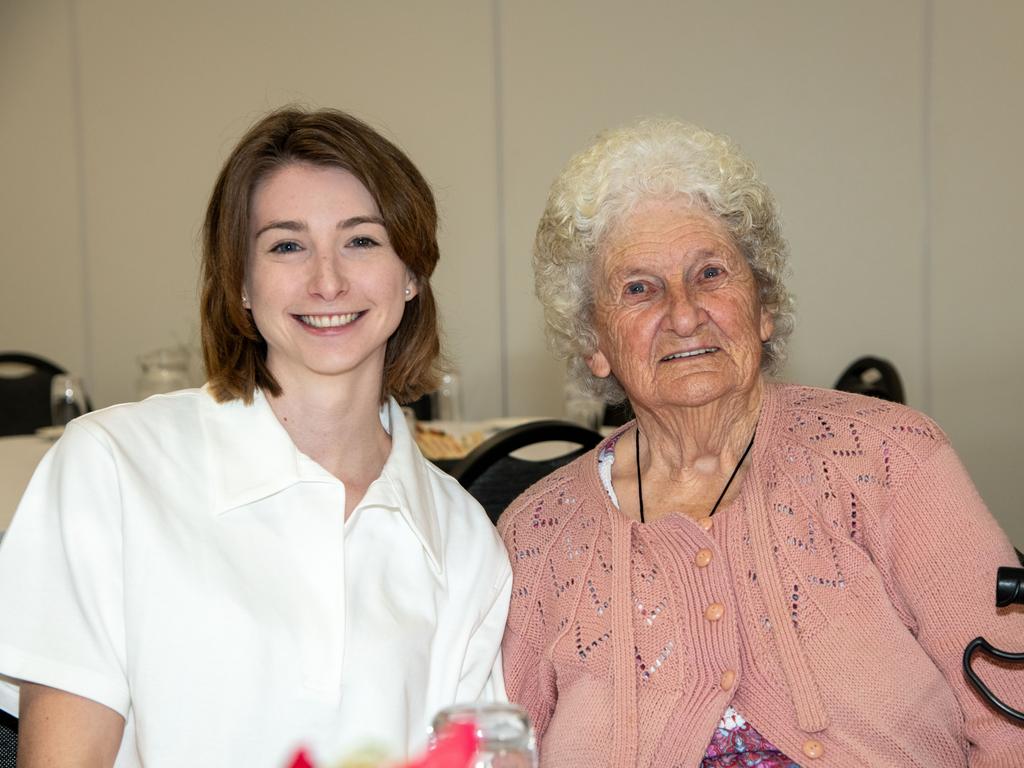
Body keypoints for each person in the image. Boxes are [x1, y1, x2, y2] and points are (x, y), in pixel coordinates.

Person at [500, 118, 1024, 767]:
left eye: (711, 273)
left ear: (764, 304)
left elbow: (1012, 717)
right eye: (640, 289)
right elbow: (491, 747)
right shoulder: (536, 539)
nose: (685, 313)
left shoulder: (891, 460)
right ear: (594, 343)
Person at [0, 107, 512, 767]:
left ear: (411, 274)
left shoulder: (463, 541)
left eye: (361, 240)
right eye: (286, 245)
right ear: (240, 282)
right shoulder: (112, 468)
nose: (327, 281)